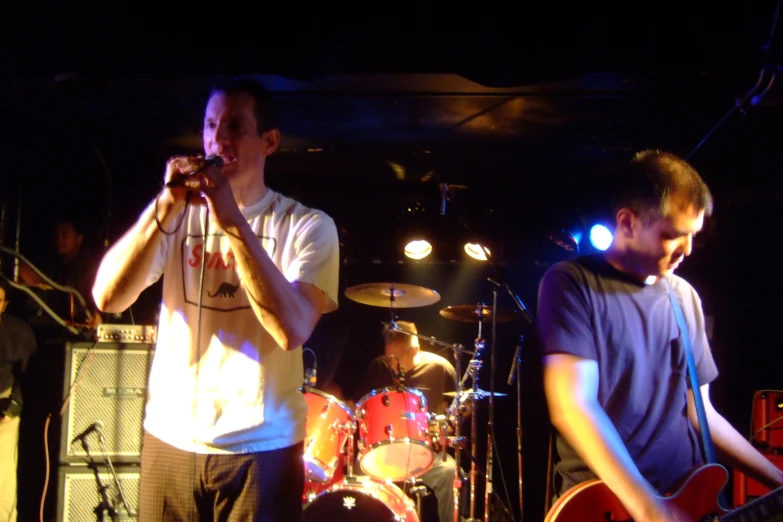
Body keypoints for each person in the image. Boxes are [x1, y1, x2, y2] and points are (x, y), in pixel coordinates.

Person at [91, 77, 340, 522]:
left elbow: (293, 329)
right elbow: (106, 297)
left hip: (263, 447)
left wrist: (230, 219)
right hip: (171, 436)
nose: (217, 139)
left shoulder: (308, 226)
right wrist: (163, 208)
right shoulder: (177, 216)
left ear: (269, 141)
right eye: (209, 126)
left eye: (234, 127)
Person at [537, 150, 783, 521]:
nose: (687, 249)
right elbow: (573, 407)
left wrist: (778, 479)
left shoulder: (684, 297)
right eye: (673, 235)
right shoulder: (571, 283)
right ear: (627, 222)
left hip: (687, 494)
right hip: (605, 503)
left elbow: (702, 414)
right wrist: (649, 506)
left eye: (693, 235)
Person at [352, 320, 459, 522]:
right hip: (384, 452)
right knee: (359, 465)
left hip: (424, 453)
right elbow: (358, 407)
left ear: (415, 350)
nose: (391, 364)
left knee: (450, 472)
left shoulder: (441, 369)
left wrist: (447, 429)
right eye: (388, 357)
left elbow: (454, 418)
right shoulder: (378, 367)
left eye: (397, 358)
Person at [19, 216, 103, 331]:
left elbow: (97, 300)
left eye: (65, 234)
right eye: (56, 235)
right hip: (51, 327)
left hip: (78, 330)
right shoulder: (50, 264)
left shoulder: (89, 268)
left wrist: (96, 315)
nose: (58, 240)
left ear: (79, 238)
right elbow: (41, 286)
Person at [0, 279, 37, 522]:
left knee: (3, 478)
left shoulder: (17, 332)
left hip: (3, 407)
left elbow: (30, 377)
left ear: (4, 305)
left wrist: (13, 407)